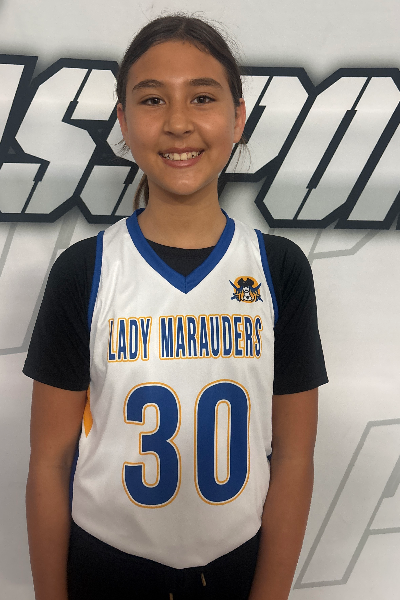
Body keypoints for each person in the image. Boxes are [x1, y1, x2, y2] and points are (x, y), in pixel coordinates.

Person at [24, 14, 328, 600]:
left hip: (236, 566)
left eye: (203, 97)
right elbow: (49, 461)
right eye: (153, 99)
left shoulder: (278, 269)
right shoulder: (86, 270)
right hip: (104, 565)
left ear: (237, 118)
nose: (179, 122)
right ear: (123, 122)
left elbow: (294, 456)